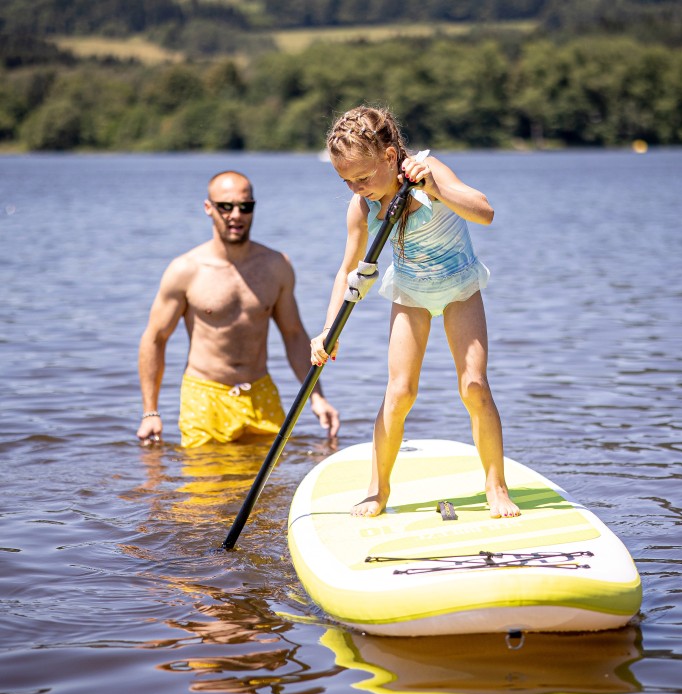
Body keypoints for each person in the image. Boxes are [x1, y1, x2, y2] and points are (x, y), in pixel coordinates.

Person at [310, 106, 519, 518]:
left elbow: (485, 212)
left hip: (460, 287)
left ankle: (495, 486)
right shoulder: (362, 207)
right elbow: (349, 270)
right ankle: (378, 490)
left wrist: (436, 187)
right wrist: (327, 330)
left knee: (474, 386)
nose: (356, 189)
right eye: (346, 181)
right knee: (400, 392)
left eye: (363, 178)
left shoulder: (428, 171)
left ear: (390, 157)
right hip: (410, 294)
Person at [137, 170, 339, 448]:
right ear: (209, 208)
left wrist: (317, 396)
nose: (236, 215)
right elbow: (154, 339)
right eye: (226, 206)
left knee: (271, 488)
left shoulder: (276, 266)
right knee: (205, 488)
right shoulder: (185, 270)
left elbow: (293, 335)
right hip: (205, 396)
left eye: (245, 206)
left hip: (261, 393)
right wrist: (150, 412)